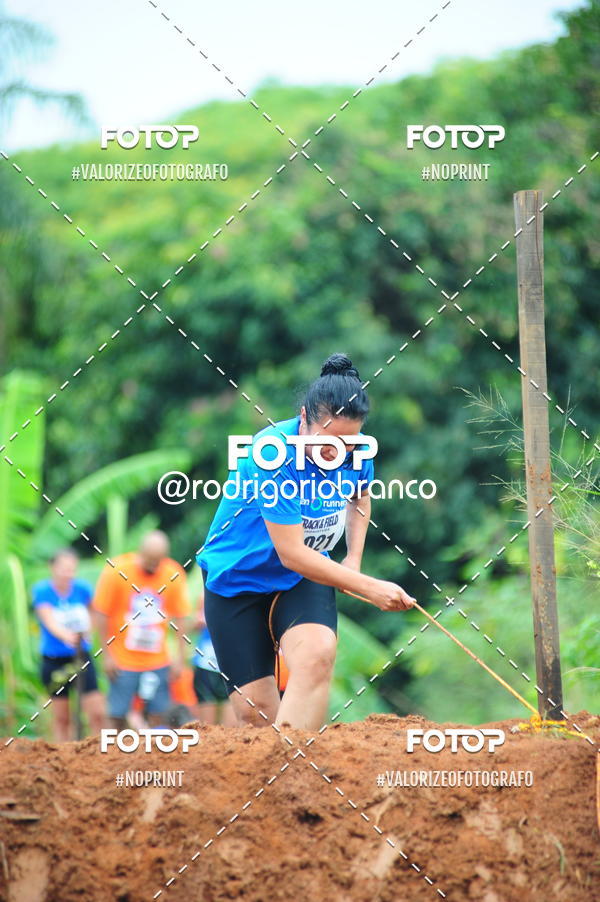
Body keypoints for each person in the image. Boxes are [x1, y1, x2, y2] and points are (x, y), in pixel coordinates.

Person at [197, 353, 415, 730]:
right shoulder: (270, 457)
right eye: (328, 442)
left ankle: (301, 776)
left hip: (301, 579)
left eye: (351, 442)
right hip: (237, 582)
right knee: (257, 714)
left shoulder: (357, 450)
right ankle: (271, 780)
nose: (339, 453)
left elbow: (360, 496)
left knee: (317, 655)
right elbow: (292, 553)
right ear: (303, 419)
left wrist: (354, 559)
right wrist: (370, 588)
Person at [92, 531, 191, 729]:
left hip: (157, 659)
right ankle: (117, 754)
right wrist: (107, 655)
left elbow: (180, 617)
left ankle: (155, 755)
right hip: (123, 659)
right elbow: (101, 613)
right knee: (117, 714)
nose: (153, 566)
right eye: (149, 560)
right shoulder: (117, 571)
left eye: (157, 561)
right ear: (140, 552)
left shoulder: (173, 573)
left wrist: (180, 657)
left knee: (160, 713)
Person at [33, 549, 105, 742]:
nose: (68, 574)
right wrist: (68, 637)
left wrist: (89, 631)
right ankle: (63, 757)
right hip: (55, 661)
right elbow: (48, 620)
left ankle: (98, 753)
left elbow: (95, 611)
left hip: (82, 657)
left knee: (96, 712)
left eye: (72, 569)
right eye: (64, 569)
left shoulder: (82, 589)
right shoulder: (42, 591)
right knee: (62, 717)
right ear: (53, 568)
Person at [191, 588, 236, 726]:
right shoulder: (205, 594)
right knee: (206, 726)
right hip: (206, 663)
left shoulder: (243, 592)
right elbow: (195, 624)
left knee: (232, 728)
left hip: (233, 664)